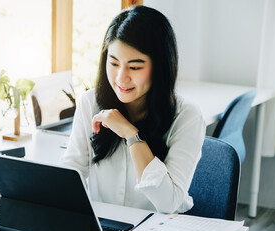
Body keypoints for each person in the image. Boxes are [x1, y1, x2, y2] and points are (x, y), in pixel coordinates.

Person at [60, 5, 206, 214]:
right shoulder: (90, 102)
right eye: (114, 63)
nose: (121, 78)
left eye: (135, 67)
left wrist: (132, 135)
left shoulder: (187, 117)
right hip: (103, 228)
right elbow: (71, 173)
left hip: (160, 230)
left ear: (160, 66)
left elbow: (168, 203)